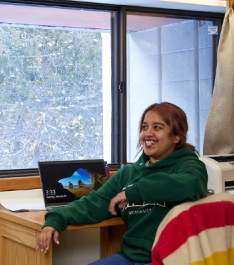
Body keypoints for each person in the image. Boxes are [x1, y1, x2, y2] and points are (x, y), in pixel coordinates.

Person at [36, 102, 208, 265]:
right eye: (144, 127)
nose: (147, 133)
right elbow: (94, 203)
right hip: (131, 257)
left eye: (157, 127)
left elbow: (189, 184)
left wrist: (134, 192)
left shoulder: (189, 166)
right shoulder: (128, 173)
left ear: (177, 136)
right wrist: (56, 218)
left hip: (170, 259)